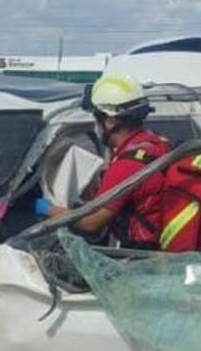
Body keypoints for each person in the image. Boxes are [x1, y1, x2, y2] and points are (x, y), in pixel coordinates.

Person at [35, 74, 171, 249]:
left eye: (96, 118)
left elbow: (90, 223)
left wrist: (44, 208)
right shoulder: (158, 144)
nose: (95, 125)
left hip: (142, 256)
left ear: (110, 121)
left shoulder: (128, 164)